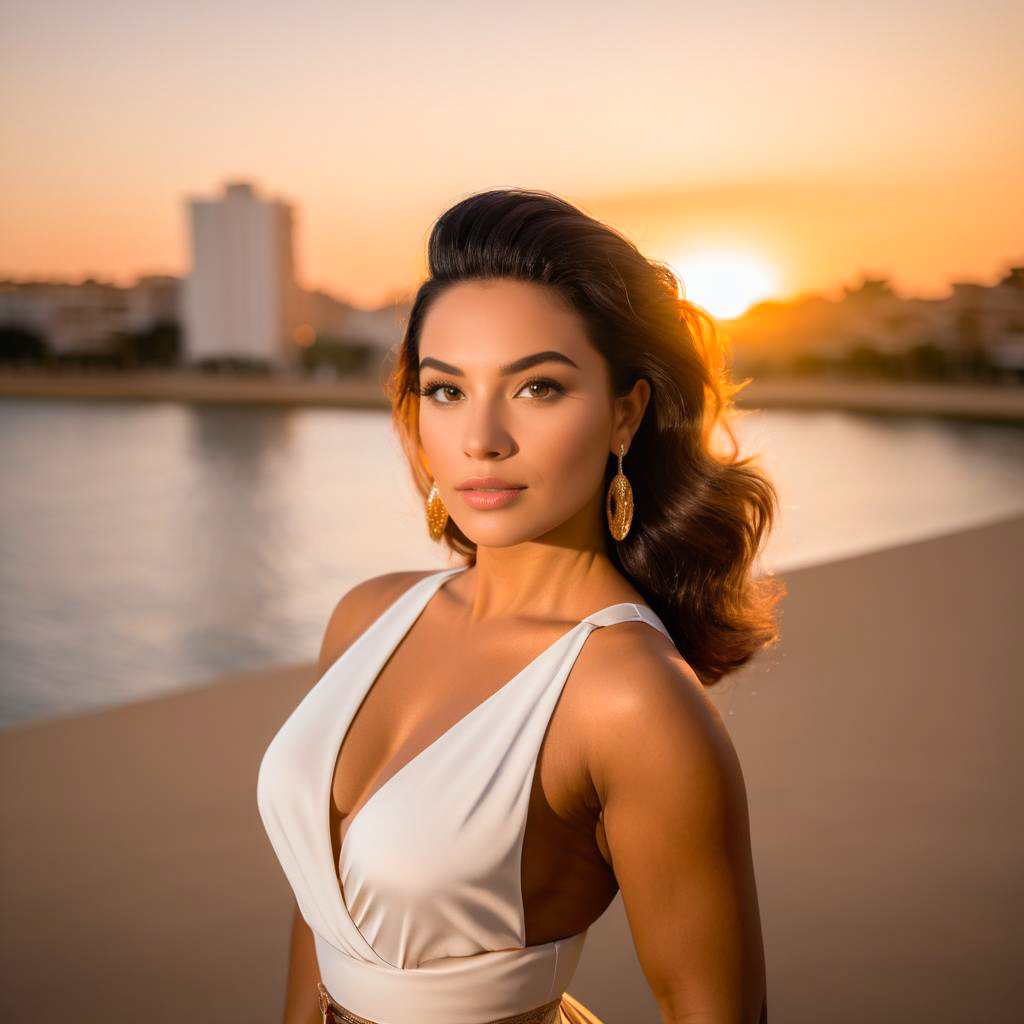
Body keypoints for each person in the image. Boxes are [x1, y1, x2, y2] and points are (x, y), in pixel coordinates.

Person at [257, 188, 783, 1024]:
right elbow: (318, 917)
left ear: (625, 414)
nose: (481, 439)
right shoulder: (366, 615)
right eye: (447, 390)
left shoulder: (628, 698)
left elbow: (714, 1010)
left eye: (537, 388)